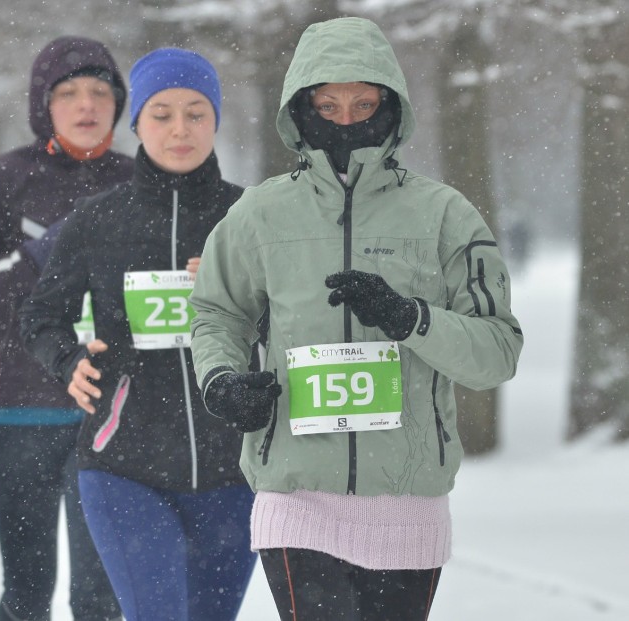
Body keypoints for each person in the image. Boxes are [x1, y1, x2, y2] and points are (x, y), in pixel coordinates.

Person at [189, 17, 525, 621]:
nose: (347, 120)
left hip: (407, 494)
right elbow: (217, 311)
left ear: (391, 106)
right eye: (328, 105)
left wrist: (411, 319)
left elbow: (498, 352)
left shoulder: (446, 215)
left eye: (364, 103)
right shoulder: (258, 215)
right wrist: (221, 379)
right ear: (301, 109)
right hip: (296, 490)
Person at [19, 48, 257, 621]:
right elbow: (41, 315)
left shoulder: (250, 218)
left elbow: (293, 324)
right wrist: (68, 360)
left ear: (216, 121)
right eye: (162, 113)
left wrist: (238, 293)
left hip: (235, 468)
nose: (180, 129)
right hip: (124, 464)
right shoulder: (98, 220)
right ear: (137, 125)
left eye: (196, 113)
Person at [0, 36, 131, 621]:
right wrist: (31, 261)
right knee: (26, 593)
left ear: (119, 103)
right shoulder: (6, 177)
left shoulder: (141, 181)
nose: (86, 104)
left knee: (100, 597)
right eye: (68, 93)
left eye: (100, 91)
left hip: (111, 412)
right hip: (16, 410)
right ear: (44, 104)